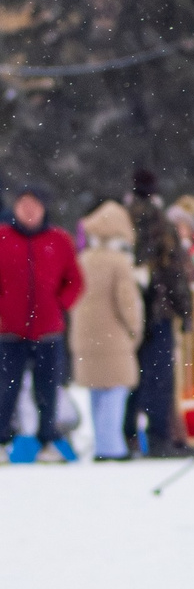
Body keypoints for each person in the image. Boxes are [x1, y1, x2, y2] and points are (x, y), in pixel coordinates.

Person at [0, 181, 84, 463]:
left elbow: (74, 280)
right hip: (8, 331)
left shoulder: (59, 240)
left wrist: (60, 306)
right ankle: (2, 440)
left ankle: (48, 440)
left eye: (34, 205)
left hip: (48, 330)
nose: (29, 211)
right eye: (23, 205)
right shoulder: (3, 238)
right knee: (5, 389)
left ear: (43, 209)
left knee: (47, 389)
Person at [126, 169, 194, 458]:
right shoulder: (160, 222)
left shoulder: (123, 218)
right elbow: (174, 271)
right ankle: (158, 438)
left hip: (129, 311)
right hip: (159, 309)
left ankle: (127, 436)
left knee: (132, 378)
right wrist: (185, 309)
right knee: (158, 378)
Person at [69, 201, 142, 460]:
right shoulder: (118, 263)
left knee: (96, 392)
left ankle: (102, 442)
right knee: (115, 391)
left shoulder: (81, 259)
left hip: (84, 338)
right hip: (114, 338)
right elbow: (127, 303)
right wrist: (135, 330)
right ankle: (112, 447)